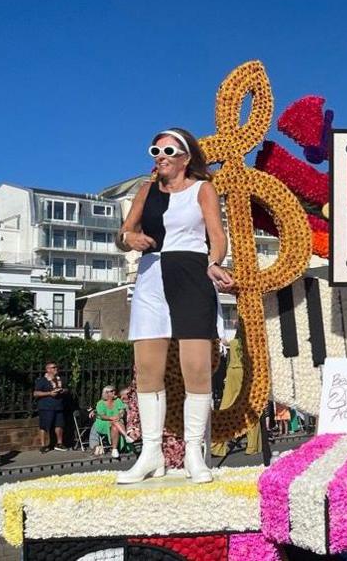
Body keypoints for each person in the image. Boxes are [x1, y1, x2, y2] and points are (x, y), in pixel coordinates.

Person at [115, 128, 234, 485]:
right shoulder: (146, 190)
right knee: (147, 369)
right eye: (156, 149)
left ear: (186, 156)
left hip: (192, 275)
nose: (160, 155)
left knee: (196, 368)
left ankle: (195, 453)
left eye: (168, 149)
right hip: (151, 277)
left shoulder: (203, 189)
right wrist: (128, 238)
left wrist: (215, 262)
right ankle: (150, 454)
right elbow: (124, 235)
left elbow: (218, 237)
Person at [33, 361, 67, 452]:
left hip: (59, 406)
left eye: (56, 367)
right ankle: (43, 445)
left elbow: (67, 389)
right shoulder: (42, 380)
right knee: (44, 426)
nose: (56, 369)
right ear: (48, 369)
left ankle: (59, 443)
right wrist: (49, 393)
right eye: (53, 367)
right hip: (46, 407)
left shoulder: (61, 379)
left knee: (59, 425)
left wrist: (63, 390)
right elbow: (36, 393)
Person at [93, 385, 132, 458]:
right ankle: (126, 436)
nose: (114, 392)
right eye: (112, 391)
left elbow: (122, 411)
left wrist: (119, 416)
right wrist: (112, 418)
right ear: (106, 393)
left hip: (117, 422)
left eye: (114, 390)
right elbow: (102, 416)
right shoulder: (100, 403)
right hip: (103, 423)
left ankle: (114, 450)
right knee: (114, 422)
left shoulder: (118, 401)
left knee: (114, 426)